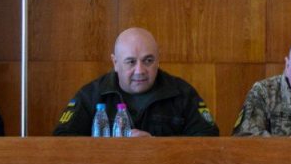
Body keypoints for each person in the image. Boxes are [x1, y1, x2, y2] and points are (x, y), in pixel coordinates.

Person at [53, 27, 219, 137]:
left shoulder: (182, 94)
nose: (140, 70)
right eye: (131, 62)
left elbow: (209, 140)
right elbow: (62, 140)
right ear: (115, 63)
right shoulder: (92, 95)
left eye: (148, 61)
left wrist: (157, 147)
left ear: (158, 60)